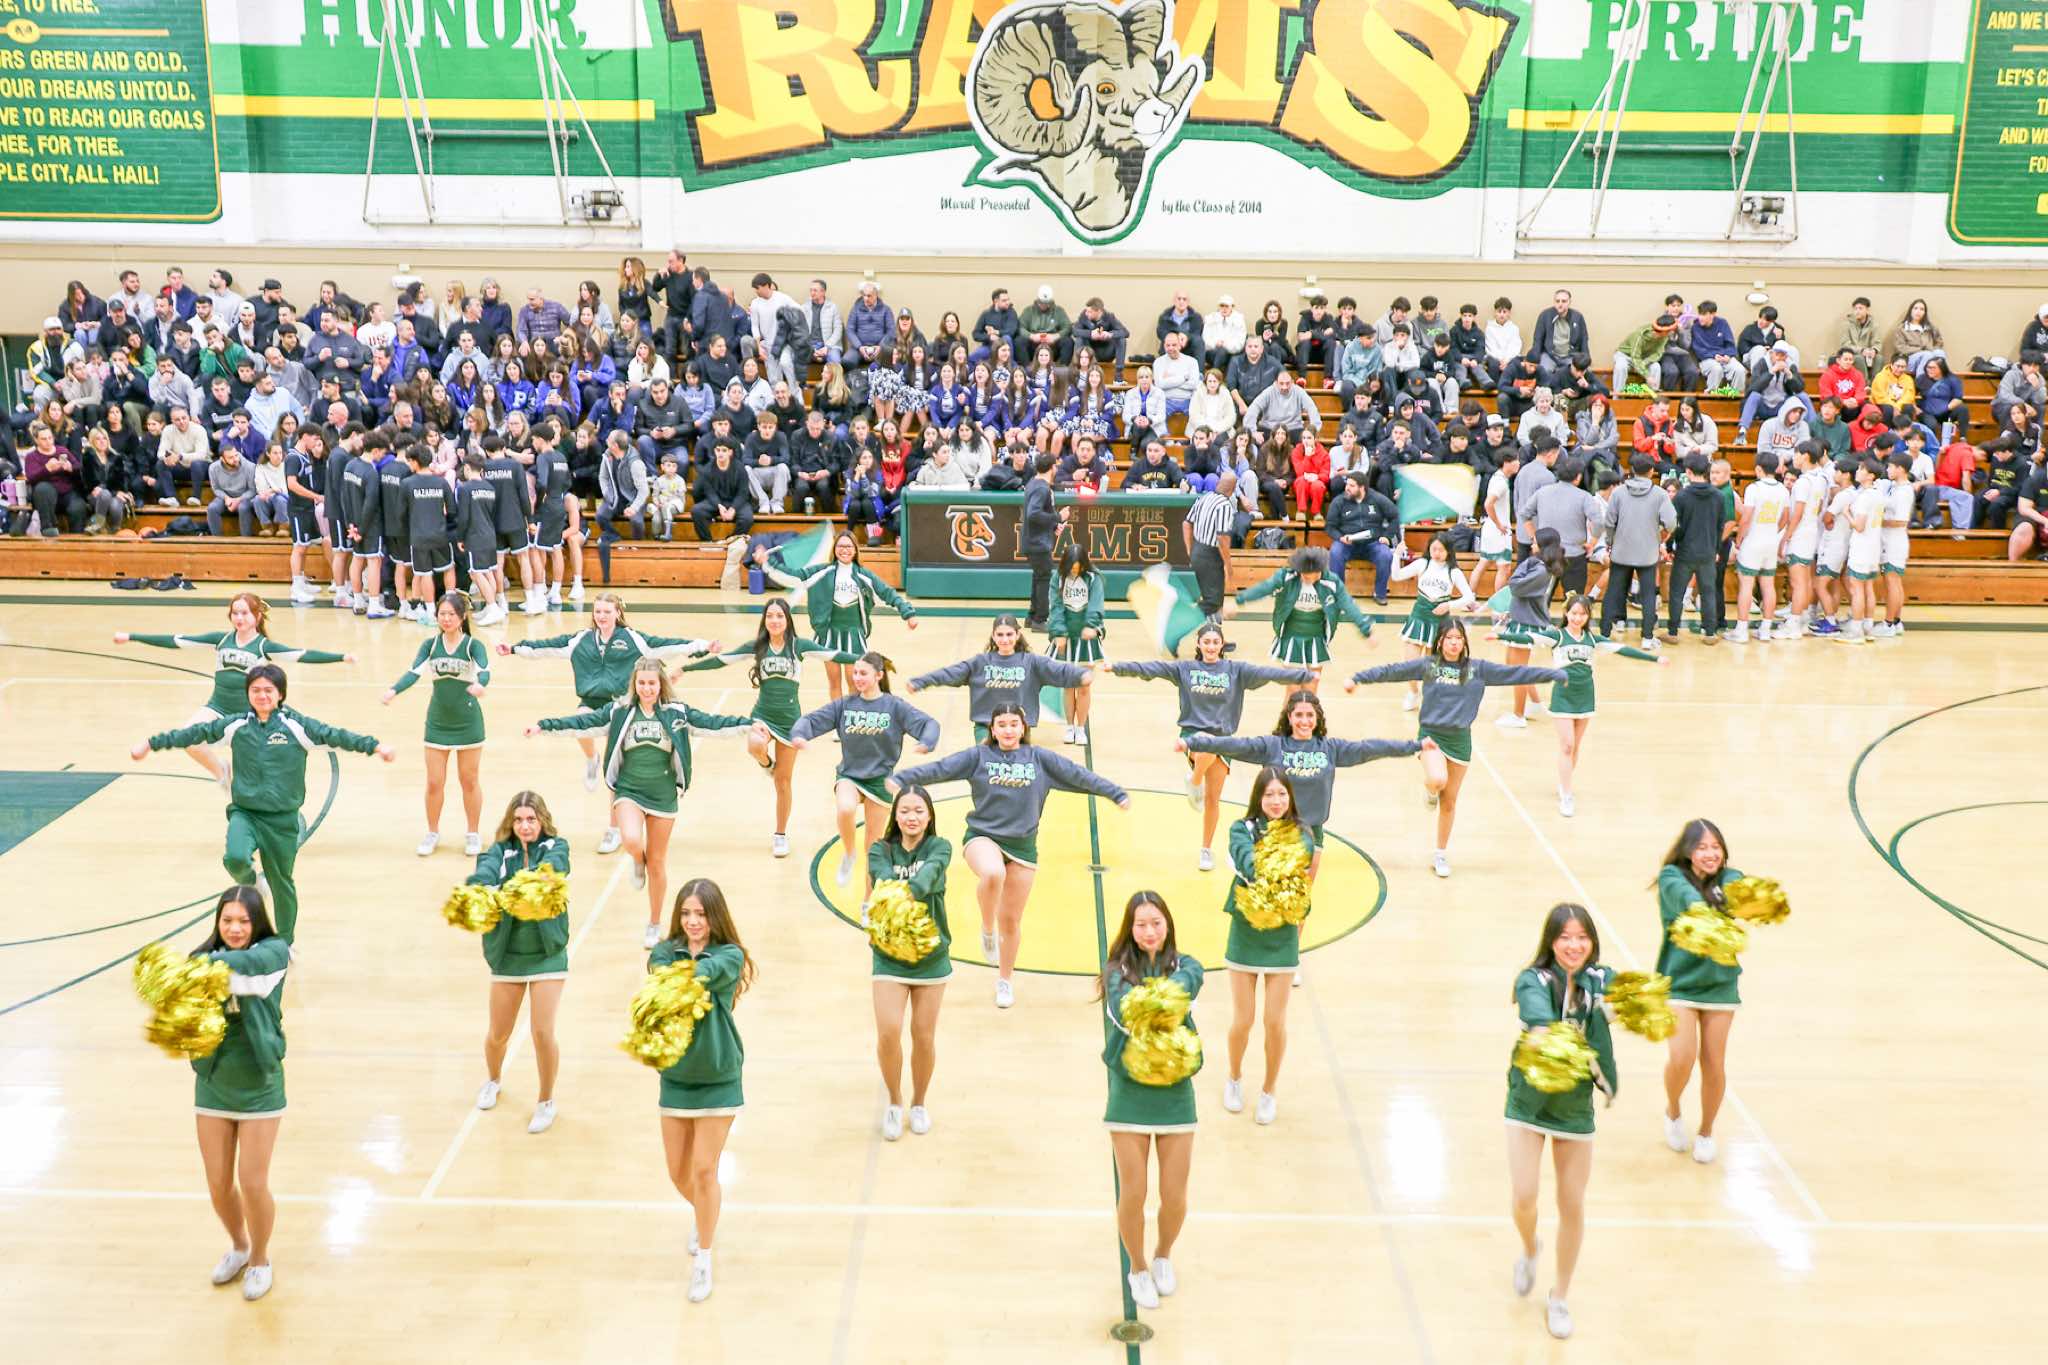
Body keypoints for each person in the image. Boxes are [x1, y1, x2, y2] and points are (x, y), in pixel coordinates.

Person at [890, 703, 1131, 1008]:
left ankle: (1005, 980)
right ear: (992, 729)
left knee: (1012, 921)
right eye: (1001, 724)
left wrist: (1115, 793)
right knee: (993, 873)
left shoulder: (1040, 759)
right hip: (983, 836)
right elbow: (941, 768)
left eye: (1013, 724)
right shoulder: (978, 756)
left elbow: (1078, 775)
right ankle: (986, 928)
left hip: (1023, 847)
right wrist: (903, 778)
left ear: (1023, 728)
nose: (1007, 730)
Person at [133, 664, 395, 941]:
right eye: (255, 690)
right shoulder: (236, 725)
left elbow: (338, 736)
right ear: (247, 694)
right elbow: (195, 734)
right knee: (235, 859)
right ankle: (252, 883)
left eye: (268, 690)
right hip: (245, 813)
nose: (262, 695)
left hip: (282, 820)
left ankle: (285, 943)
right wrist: (151, 743)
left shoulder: (298, 726)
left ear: (280, 694)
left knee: (282, 884)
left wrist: (376, 747)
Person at [528, 657, 761, 947]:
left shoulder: (676, 712)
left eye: (652, 683)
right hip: (629, 789)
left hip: (663, 794)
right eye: (642, 683)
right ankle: (638, 860)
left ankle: (654, 922)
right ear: (634, 684)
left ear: (660, 684)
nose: (647, 688)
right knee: (631, 839)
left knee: (658, 863)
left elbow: (713, 724)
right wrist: (544, 726)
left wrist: (748, 724)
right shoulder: (620, 710)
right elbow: (583, 722)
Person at [1346, 621, 1563, 877]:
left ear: (1464, 642)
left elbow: (1516, 673)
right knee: (1438, 779)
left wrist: (1551, 675)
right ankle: (1430, 790)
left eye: (1458, 638)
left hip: (1460, 741)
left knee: (1449, 803)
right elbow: (1392, 671)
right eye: (1449, 638)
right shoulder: (1429, 665)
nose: (1453, 642)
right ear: (1440, 641)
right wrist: (1359, 678)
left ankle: (1440, 853)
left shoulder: (1477, 669)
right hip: (1430, 736)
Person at [499, 594, 714, 852]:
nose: (601, 616)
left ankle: (614, 829)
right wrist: (515, 649)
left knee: (618, 769)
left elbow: (668, 645)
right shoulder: (581, 640)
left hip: (621, 706)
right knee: (581, 723)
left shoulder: (632, 639)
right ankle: (592, 759)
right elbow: (547, 646)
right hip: (592, 701)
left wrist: (703, 645)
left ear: (617, 613)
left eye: (607, 611)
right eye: (597, 611)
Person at [1106, 624, 1312, 868]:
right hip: (1193, 737)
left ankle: (1206, 849)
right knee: (1206, 745)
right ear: (1199, 644)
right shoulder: (1185, 669)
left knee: (1213, 799)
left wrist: (1301, 676)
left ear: (1222, 645)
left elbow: (1270, 674)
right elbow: (1152, 669)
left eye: (1215, 642)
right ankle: (1194, 781)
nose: (1211, 646)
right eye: (1207, 642)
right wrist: (1117, 667)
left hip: (1225, 742)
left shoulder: (1236, 671)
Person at [1505, 902, 1617, 1342]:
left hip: (1574, 1108)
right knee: (1525, 1197)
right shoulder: (1532, 980)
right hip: (1529, 1103)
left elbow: (1627, 1001)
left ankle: (1559, 1296)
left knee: (1572, 1203)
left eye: (1582, 937)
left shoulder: (1601, 981)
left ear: (1592, 942)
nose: (1574, 945)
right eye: (1565, 937)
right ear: (1551, 942)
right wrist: (1549, 1040)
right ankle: (1530, 1246)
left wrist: (1637, 1005)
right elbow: (1539, 1024)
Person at [673, 596, 857, 859]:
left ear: (787, 620)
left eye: (779, 616)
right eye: (770, 616)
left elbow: (833, 654)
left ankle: (780, 834)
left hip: (791, 721)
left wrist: (866, 659)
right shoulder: (757, 647)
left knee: (783, 783)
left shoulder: (799, 646)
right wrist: (687, 669)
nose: (774, 620)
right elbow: (722, 660)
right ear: (764, 620)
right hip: (763, 715)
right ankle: (767, 764)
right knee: (754, 745)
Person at [114, 592, 351, 784]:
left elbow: (302, 654)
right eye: (235, 613)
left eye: (244, 613)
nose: (239, 618)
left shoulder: (263, 646)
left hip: (250, 716)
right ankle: (221, 772)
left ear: (257, 616)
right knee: (189, 738)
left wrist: (340, 657)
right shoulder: (221, 639)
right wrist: (132, 636)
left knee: (269, 761)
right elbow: (176, 640)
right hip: (217, 707)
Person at [649, 878, 755, 1303]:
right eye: (686, 914)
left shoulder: (729, 956)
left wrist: (684, 973)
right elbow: (660, 973)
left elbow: (704, 975)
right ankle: (705, 1214)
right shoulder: (664, 952)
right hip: (676, 1077)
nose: (693, 921)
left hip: (718, 1077)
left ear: (715, 916)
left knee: (705, 1170)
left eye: (701, 914)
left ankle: (704, 1260)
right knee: (678, 1173)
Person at [185, 885, 292, 1302]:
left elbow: (249, 971)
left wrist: (198, 968)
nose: (234, 928)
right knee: (217, 1183)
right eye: (226, 920)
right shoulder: (200, 959)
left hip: (259, 1084)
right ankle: (240, 1246)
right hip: (214, 1082)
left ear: (257, 922)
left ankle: (261, 1260)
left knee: (252, 1182)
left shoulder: (274, 953)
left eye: (243, 921)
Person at [1098, 890, 1203, 1313]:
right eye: (1141, 924)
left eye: (1156, 923)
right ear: (1130, 928)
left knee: (1175, 1195)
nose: (1149, 931)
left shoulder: (1187, 965)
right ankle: (1137, 1267)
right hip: (1130, 1094)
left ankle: (1162, 1255)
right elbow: (1124, 1011)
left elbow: (1189, 984)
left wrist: (1160, 997)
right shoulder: (1115, 972)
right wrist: (1161, 1003)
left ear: (1168, 925)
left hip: (1176, 1093)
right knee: (1134, 1191)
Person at [1180, 690, 1418, 872]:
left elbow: (1370, 748)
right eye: (1299, 715)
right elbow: (1235, 745)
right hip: (1273, 832)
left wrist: (1413, 746)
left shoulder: (1330, 749)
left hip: (1312, 833)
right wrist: (1195, 741)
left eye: (1309, 715)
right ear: (1289, 717)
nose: (1304, 721)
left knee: (1300, 902)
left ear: (1318, 718)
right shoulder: (1272, 746)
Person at [465, 791, 572, 1135]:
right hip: (508, 956)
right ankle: (493, 1080)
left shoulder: (557, 847)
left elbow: (552, 870)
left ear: (542, 820)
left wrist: (510, 888)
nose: (525, 826)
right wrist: (480, 889)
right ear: (510, 823)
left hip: (547, 954)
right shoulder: (497, 852)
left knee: (542, 1031)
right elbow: (483, 875)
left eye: (531, 819)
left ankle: (546, 1100)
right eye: (519, 820)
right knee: (498, 1034)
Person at [1219, 768, 1316, 1125]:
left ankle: (1268, 1090)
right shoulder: (1240, 829)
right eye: (1269, 794)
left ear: (1290, 797)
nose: (1276, 801)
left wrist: (1267, 867)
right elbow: (1247, 861)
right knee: (1243, 1020)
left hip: (1282, 935)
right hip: (1245, 931)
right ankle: (1234, 1078)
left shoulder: (1303, 834)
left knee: (1274, 1022)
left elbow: (1297, 861)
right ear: (1258, 798)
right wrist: (1268, 867)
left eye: (1282, 794)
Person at [1655, 818, 1749, 1165]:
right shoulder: (1671, 878)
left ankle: (1707, 1131)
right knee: (1682, 1057)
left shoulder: (1731, 877)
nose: (1710, 854)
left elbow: (1741, 891)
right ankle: (1673, 1110)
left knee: (1713, 1062)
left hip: (1720, 984)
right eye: (1701, 847)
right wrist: (1714, 907)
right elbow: (1689, 901)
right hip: (1679, 982)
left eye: (1715, 847)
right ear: (1687, 852)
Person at [862, 784, 953, 1140]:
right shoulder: (880, 850)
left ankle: (919, 1103)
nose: (911, 817)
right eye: (904, 811)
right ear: (895, 816)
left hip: (931, 957)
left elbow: (930, 875)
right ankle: (895, 1101)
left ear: (929, 816)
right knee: (888, 1032)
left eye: (918, 811)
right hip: (889, 956)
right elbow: (881, 877)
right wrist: (897, 891)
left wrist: (904, 892)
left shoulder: (940, 847)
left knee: (923, 1037)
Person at [1520, 595, 1661, 816]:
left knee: (1575, 746)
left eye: (1582, 614)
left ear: (1588, 616)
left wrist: (1655, 659)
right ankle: (1567, 795)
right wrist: (1499, 635)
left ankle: (1564, 783)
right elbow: (1529, 637)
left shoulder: (1593, 640)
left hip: (1585, 696)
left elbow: (1622, 649)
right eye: (1573, 613)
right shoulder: (1557, 636)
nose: (1577, 618)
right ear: (1566, 613)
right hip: (1562, 696)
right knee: (1567, 745)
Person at [382, 591, 492, 856]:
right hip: (438, 723)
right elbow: (413, 672)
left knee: (469, 780)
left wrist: (480, 685)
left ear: (462, 617)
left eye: (451, 614)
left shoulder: (473, 646)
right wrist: (394, 690)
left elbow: (485, 671)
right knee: (434, 782)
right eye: (442, 614)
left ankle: (473, 833)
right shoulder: (430, 645)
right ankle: (432, 832)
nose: (446, 619)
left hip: (468, 723)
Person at [761, 531, 919, 700]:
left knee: (854, 682)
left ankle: (851, 713)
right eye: (841, 546)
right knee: (834, 682)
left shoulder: (864, 575)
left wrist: (908, 613)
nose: (845, 550)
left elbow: (888, 593)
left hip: (854, 635)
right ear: (834, 549)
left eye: (849, 546)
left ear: (855, 550)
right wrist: (768, 562)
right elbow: (796, 576)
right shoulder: (822, 572)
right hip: (829, 634)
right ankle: (837, 714)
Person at [908, 614, 1091, 739]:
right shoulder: (980, 663)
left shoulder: (1031, 663)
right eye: (1000, 635)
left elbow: (1059, 670)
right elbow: (949, 673)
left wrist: (1081, 674)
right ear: (993, 636)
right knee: (988, 769)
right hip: (986, 727)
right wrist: (920, 682)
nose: (1005, 639)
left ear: (1017, 635)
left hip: (1018, 729)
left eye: (1009, 634)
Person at [1230, 545, 1373, 679]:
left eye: (1308, 575)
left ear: (1319, 571)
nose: (1304, 577)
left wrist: (1366, 630)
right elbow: (1264, 588)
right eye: (1302, 573)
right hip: (1291, 636)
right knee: (1293, 685)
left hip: (1316, 638)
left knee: (1312, 685)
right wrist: (1239, 600)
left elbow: (1349, 605)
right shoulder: (1287, 577)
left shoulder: (1332, 582)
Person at [1389, 531, 1477, 711]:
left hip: (1439, 623)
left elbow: (1469, 597)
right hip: (1418, 618)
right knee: (1410, 664)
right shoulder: (1422, 563)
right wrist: (1396, 555)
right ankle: (1413, 693)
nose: (1436, 553)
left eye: (1441, 550)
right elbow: (1396, 576)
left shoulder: (1454, 572)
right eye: (1433, 549)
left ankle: (1431, 696)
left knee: (1434, 667)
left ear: (1448, 551)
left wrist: (1449, 605)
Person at [1600, 454, 1676, 641]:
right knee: (1648, 594)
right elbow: (1671, 522)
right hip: (1647, 553)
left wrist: (1610, 541)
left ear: (1632, 470)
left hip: (1621, 551)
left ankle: (1604, 634)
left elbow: (1609, 522)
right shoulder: (1660, 494)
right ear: (1652, 471)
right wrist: (1661, 535)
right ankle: (1647, 637)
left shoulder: (1618, 492)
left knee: (1613, 592)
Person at [1728, 450, 1791, 642]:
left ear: (1758, 469)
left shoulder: (1754, 488)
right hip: (1771, 541)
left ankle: (1741, 630)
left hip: (1753, 541)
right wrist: (1773, 531)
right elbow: (1785, 517)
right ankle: (1765, 629)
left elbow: (1746, 518)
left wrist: (1739, 538)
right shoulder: (1783, 489)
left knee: (1746, 585)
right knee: (1768, 585)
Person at [1044, 544, 1104, 744]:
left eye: (1079, 568)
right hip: (1066, 636)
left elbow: (1096, 604)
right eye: (1072, 568)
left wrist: (1092, 625)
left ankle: (1081, 728)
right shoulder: (1057, 578)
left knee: (1084, 685)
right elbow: (1055, 606)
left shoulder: (1094, 578)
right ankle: (1069, 727)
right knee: (1068, 685)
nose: (1075, 571)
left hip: (1086, 640)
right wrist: (1058, 632)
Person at [1666, 455, 1727, 643]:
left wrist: (1670, 546)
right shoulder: (1718, 496)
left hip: (1685, 552)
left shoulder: (1681, 496)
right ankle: (1709, 633)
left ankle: (1673, 632)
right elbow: (1720, 526)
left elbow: (1674, 525)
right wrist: (1716, 549)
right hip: (1708, 552)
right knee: (1708, 593)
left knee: (1676, 593)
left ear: (1688, 472)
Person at [1183, 473, 1236, 618]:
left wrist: (1189, 550)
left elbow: (1186, 524)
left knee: (1213, 599)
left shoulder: (1203, 497)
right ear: (1233, 489)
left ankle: (1213, 631)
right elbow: (1222, 537)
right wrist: (1228, 566)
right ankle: (1183, 618)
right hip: (1210, 555)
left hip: (1197, 549)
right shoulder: (1225, 506)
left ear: (1218, 483)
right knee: (1212, 601)